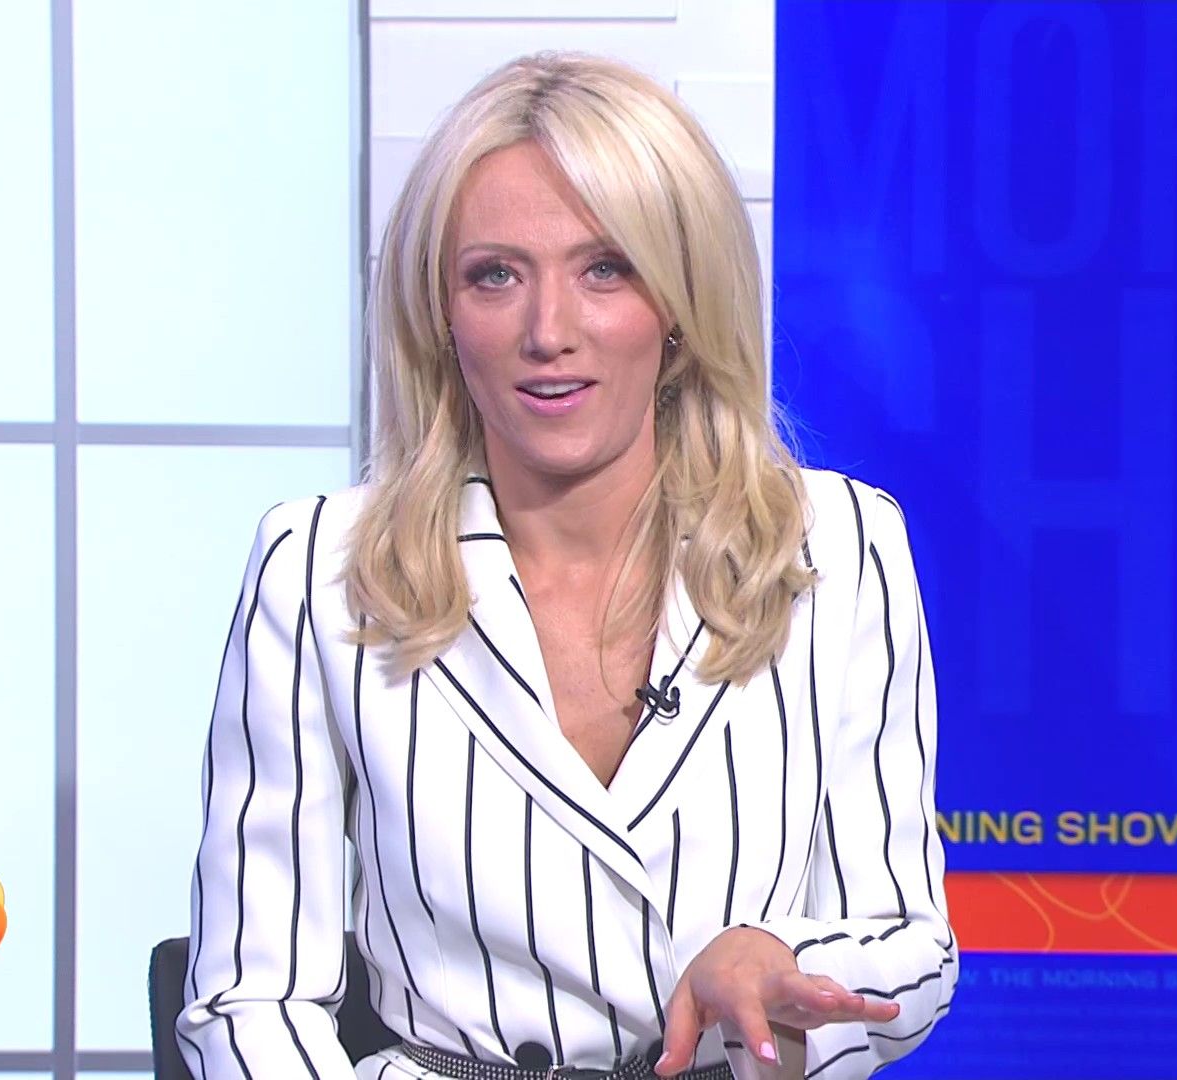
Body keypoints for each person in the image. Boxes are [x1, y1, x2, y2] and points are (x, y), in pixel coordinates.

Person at [178, 51, 956, 1080]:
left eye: (606, 269)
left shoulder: (839, 547)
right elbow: (249, 998)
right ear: (439, 315)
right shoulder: (319, 569)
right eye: (495, 276)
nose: (549, 332)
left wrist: (783, 960)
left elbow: (910, 942)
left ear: (679, 304)